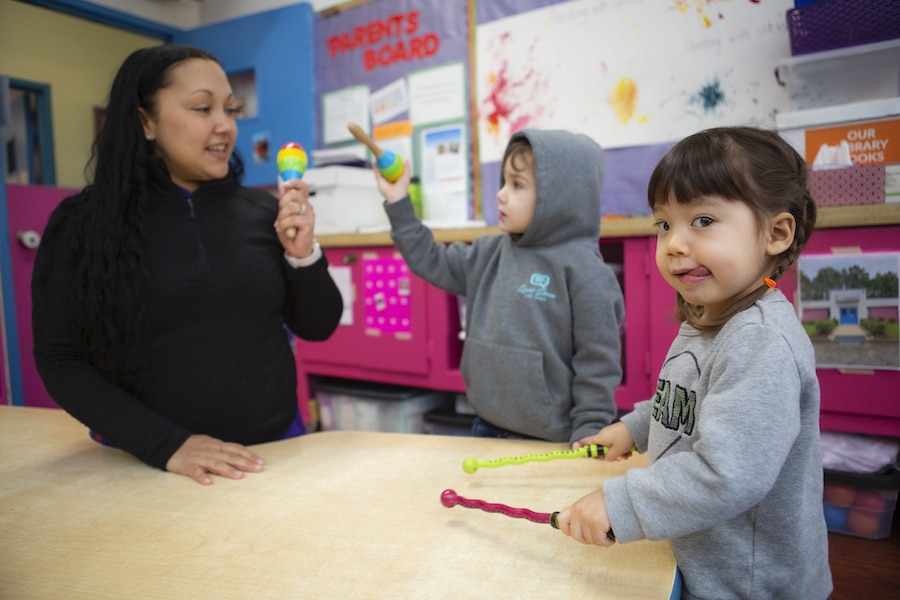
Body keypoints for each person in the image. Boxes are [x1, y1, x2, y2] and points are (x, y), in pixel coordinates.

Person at [31, 44, 343, 485]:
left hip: (272, 455)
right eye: (202, 108)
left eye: (231, 110)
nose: (226, 126)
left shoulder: (261, 211)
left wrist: (303, 257)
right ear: (145, 121)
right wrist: (166, 444)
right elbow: (59, 358)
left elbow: (319, 325)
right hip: (145, 464)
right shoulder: (81, 223)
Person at [556, 127, 833, 599]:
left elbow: (726, 473)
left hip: (749, 585)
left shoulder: (759, 339)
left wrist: (620, 502)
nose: (674, 244)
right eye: (664, 224)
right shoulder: (712, 313)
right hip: (701, 561)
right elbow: (686, 397)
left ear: (776, 233)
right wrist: (634, 428)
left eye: (702, 220)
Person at [372, 129, 624, 445]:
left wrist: (590, 428)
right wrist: (398, 201)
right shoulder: (486, 252)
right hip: (485, 427)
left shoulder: (587, 274)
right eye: (504, 181)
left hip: (549, 440)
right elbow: (428, 258)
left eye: (517, 185)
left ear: (558, 197)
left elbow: (598, 363)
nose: (501, 194)